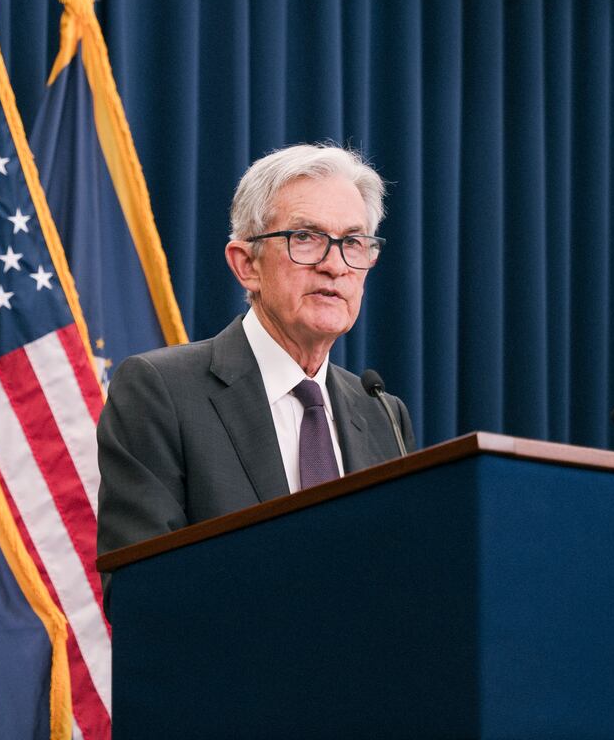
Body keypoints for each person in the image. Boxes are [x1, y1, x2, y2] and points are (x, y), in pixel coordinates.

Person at [96, 143, 415, 564]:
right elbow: (143, 594)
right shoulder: (162, 392)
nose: (335, 265)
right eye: (306, 237)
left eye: (353, 242)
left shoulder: (383, 415)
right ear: (247, 264)